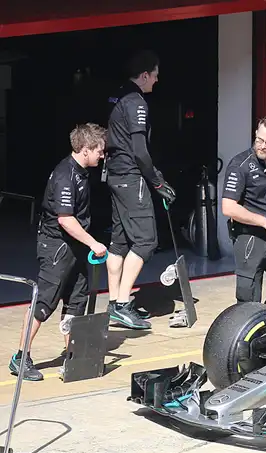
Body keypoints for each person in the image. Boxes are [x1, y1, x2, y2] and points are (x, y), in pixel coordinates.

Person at [9, 124, 108, 382]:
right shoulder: (65, 175)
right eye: (99, 150)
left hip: (75, 247)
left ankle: (73, 357)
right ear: (85, 149)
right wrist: (93, 243)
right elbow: (65, 219)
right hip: (57, 246)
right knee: (44, 303)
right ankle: (20, 357)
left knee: (76, 302)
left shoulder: (82, 173)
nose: (102, 155)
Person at [104, 49, 176, 330]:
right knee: (145, 241)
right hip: (130, 176)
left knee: (120, 241)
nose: (157, 81)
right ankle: (122, 304)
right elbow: (140, 151)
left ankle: (114, 303)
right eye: (155, 76)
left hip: (114, 175)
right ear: (145, 75)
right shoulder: (136, 102)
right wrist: (157, 182)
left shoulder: (117, 94)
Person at [221, 117, 266, 310]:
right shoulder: (240, 165)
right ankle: (253, 322)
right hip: (250, 238)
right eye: (259, 139)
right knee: (248, 302)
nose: (262, 146)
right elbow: (228, 207)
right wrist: (264, 222)